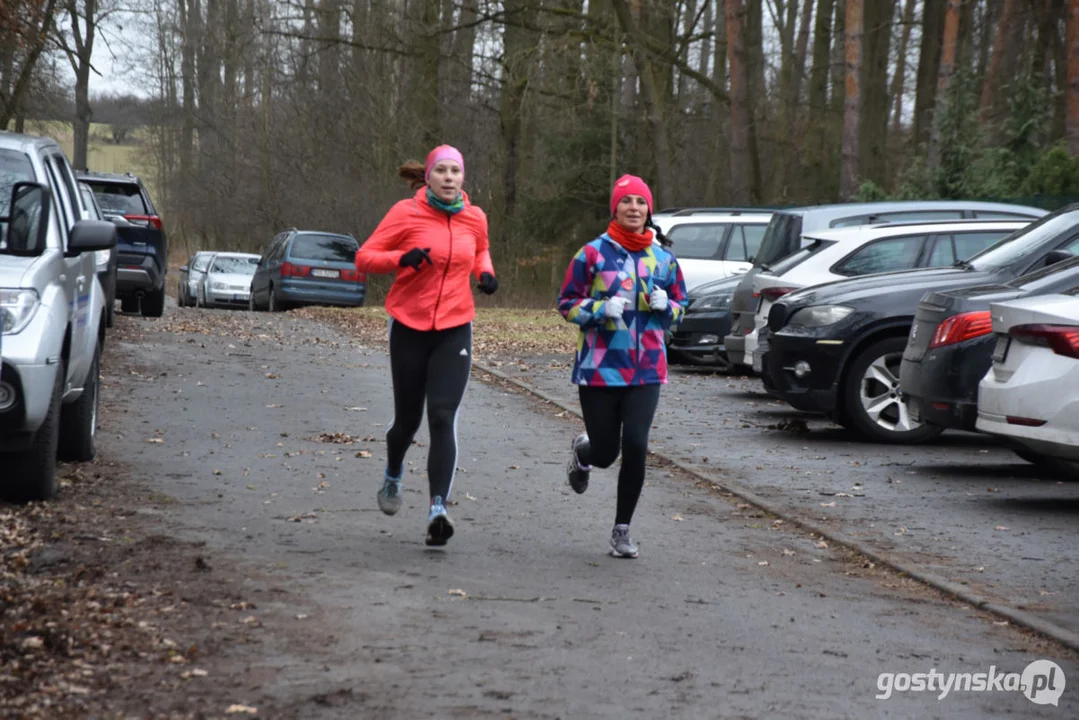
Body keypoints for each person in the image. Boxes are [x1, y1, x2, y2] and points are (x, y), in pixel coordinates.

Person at [354, 144, 498, 547]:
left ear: (463, 178)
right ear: (429, 177)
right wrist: (402, 258)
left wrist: (485, 273)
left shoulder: (475, 217)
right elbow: (364, 257)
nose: (450, 178)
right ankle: (394, 471)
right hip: (409, 325)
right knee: (408, 422)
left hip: (455, 325)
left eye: (456, 171)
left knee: (442, 415)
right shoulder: (406, 213)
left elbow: (481, 249)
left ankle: (438, 509)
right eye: (442, 171)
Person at [556, 174, 687, 558]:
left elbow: (682, 305)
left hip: (647, 368)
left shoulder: (663, 258)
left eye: (640, 202)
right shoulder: (592, 254)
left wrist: (669, 307)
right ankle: (585, 453)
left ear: (649, 210)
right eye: (626, 201)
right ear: (615, 207)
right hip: (599, 368)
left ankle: (622, 529)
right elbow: (566, 303)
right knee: (606, 452)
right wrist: (598, 310)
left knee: (636, 445)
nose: (634, 208)